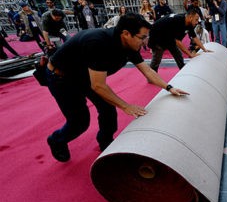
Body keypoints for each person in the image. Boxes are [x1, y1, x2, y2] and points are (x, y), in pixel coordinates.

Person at [45, 13, 189, 162]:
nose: (146, 41)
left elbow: (147, 70)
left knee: (108, 109)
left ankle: (105, 143)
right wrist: (126, 106)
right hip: (62, 78)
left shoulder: (130, 45)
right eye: (142, 37)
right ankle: (56, 140)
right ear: (126, 34)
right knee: (80, 122)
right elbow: (98, 85)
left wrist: (169, 87)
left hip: (85, 75)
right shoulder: (98, 42)